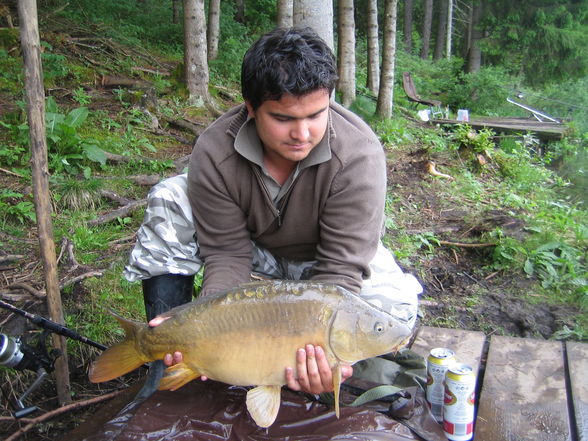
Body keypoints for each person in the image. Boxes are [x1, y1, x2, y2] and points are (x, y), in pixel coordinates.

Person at [124, 27, 422, 396]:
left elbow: (340, 271)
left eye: (316, 114)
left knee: (395, 316)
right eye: (283, 119)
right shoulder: (215, 150)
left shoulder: (359, 155)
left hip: (324, 263)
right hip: (254, 255)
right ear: (250, 108)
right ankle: (165, 351)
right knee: (171, 196)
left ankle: (351, 373)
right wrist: (203, 323)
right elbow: (227, 254)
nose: (302, 133)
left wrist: (321, 353)